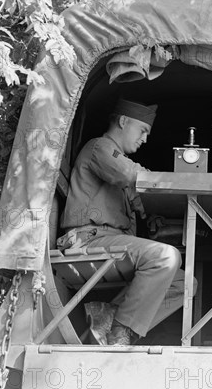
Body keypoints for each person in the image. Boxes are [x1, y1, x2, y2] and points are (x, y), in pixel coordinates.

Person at [58, 98, 195, 346]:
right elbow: (130, 175)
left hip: (111, 243)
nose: (145, 139)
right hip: (88, 239)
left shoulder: (115, 161)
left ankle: (107, 320)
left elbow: (139, 203)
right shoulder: (100, 148)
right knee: (166, 256)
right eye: (143, 131)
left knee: (185, 282)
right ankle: (121, 332)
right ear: (123, 121)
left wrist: (152, 217)